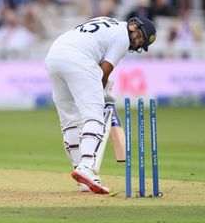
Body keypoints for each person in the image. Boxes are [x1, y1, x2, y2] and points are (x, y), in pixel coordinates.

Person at [44, 16, 156, 194]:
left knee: (70, 120)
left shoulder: (107, 21)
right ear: (133, 25)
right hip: (77, 58)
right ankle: (87, 167)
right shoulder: (122, 37)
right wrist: (103, 93)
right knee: (95, 116)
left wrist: (100, 87)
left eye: (141, 42)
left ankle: (82, 177)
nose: (137, 42)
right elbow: (104, 70)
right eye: (140, 36)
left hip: (54, 55)